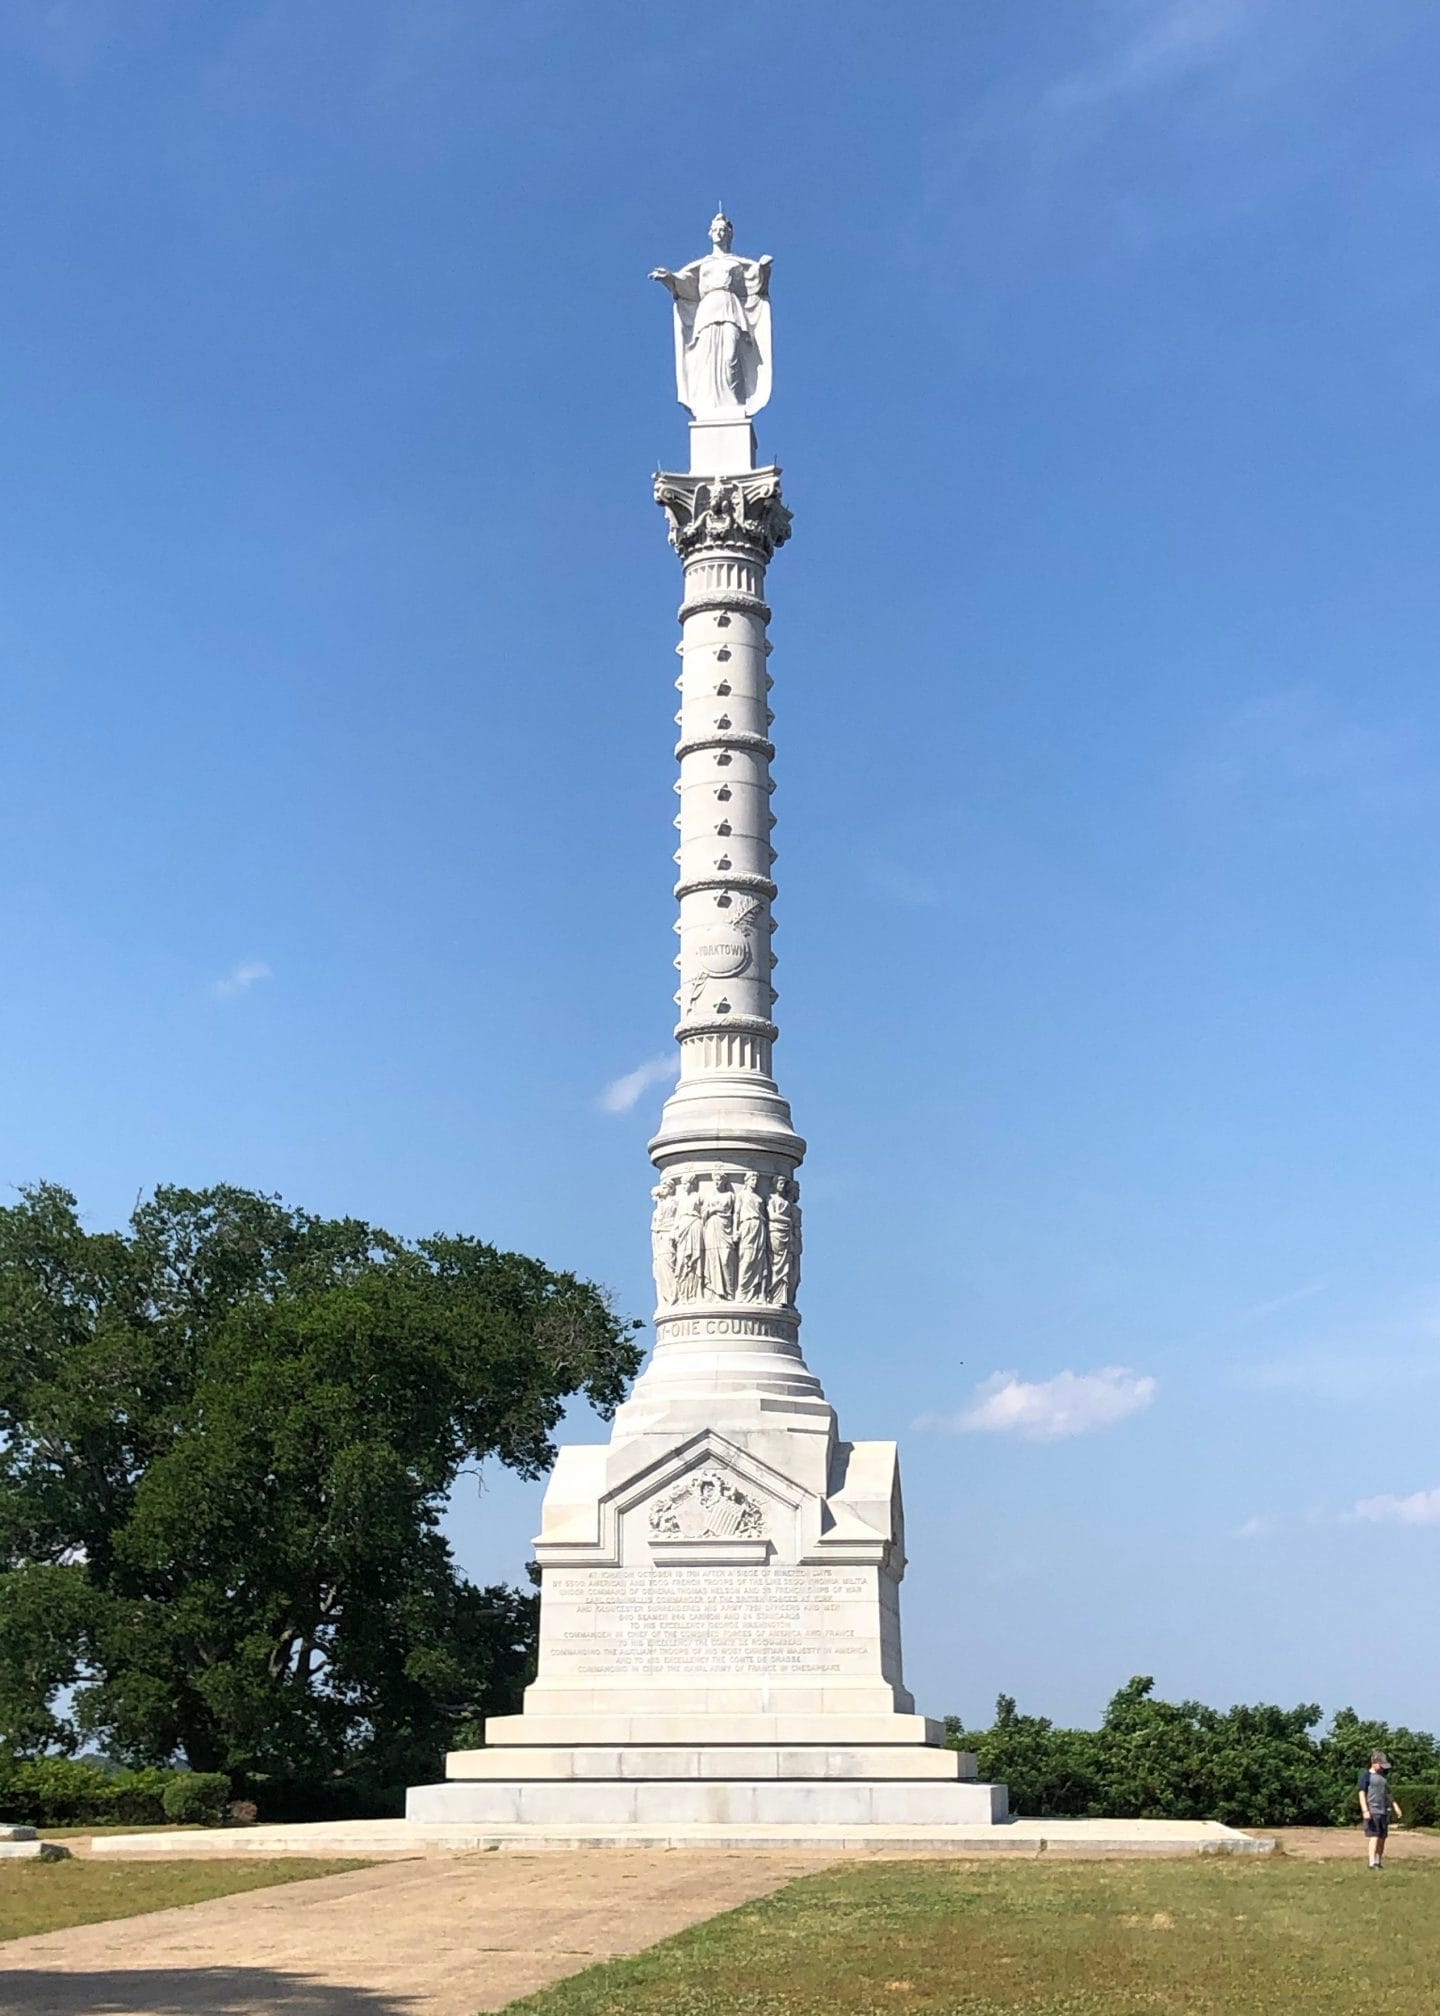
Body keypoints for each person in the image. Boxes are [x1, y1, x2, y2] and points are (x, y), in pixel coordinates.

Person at [1357, 1750, 1403, 1868]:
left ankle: (1378, 1861)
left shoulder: (1383, 1777)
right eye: (1381, 1765)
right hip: (1373, 1811)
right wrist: (1365, 1810)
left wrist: (1395, 1805)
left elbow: (1388, 1793)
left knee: (1382, 1837)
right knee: (1375, 1836)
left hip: (1383, 1811)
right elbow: (1362, 1793)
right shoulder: (1366, 1776)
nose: (1383, 1768)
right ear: (1374, 1762)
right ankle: (1372, 1863)